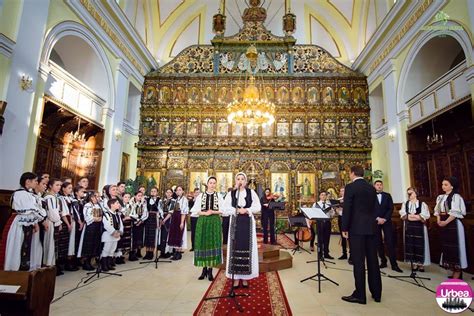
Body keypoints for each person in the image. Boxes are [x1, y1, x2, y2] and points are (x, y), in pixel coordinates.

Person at [341, 165, 381, 305]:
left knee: (358, 262)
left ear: (352, 173)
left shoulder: (351, 187)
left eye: (349, 173)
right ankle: (377, 293)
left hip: (356, 229)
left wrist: (344, 227)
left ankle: (360, 295)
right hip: (371, 228)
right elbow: (376, 208)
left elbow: (347, 208)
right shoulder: (371, 188)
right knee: (372, 260)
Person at [222, 172, 261, 289]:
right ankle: (235, 278)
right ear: (235, 181)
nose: (240, 181)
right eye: (238, 179)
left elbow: (257, 206)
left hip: (247, 223)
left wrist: (247, 210)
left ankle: (245, 278)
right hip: (235, 223)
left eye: (242, 179)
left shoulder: (251, 192)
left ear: (245, 181)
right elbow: (225, 208)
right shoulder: (231, 194)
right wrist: (237, 210)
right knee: (235, 247)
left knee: (246, 247)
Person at [4, 172, 45, 271]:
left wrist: (35, 222)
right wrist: (41, 217)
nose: (36, 183)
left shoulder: (29, 194)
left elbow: (34, 211)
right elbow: (31, 210)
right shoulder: (20, 194)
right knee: (18, 246)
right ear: (28, 181)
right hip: (20, 223)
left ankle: (25, 269)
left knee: (27, 247)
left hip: (28, 223)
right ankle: (14, 270)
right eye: (35, 181)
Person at [191, 177, 223, 281]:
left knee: (212, 243)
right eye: (211, 183)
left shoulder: (219, 196)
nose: (212, 185)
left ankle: (210, 270)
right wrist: (205, 213)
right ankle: (203, 269)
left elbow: (223, 210)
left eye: (214, 183)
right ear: (207, 184)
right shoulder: (201, 195)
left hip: (214, 221)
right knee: (203, 243)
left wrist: (213, 212)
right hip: (203, 221)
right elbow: (195, 210)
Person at [434, 177, 467, 279]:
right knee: (447, 248)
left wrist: (445, 222)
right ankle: (453, 271)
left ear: (452, 186)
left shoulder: (456, 197)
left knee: (456, 248)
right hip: (444, 224)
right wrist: (438, 220)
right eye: (442, 184)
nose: (443, 186)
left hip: (454, 225)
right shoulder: (440, 197)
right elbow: (437, 210)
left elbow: (455, 212)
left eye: (446, 184)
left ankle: (458, 272)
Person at [373, 180, 402, 273]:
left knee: (390, 242)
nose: (379, 186)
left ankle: (394, 264)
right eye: (377, 185)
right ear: (374, 186)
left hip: (387, 222)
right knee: (378, 242)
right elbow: (370, 209)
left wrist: (384, 219)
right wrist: (377, 218)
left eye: (381, 185)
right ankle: (383, 261)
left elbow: (390, 208)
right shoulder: (371, 196)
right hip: (376, 222)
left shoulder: (387, 195)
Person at [399, 187, 430, 271]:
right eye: (408, 193)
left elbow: (423, 216)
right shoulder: (405, 204)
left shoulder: (422, 204)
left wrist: (413, 216)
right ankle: (414, 263)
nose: (409, 195)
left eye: (410, 193)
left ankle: (421, 263)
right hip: (409, 227)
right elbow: (404, 216)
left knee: (420, 244)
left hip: (420, 228)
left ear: (415, 193)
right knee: (411, 244)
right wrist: (415, 216)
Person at [77, 191, 103, 271]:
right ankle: (86, 262)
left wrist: (100, 218)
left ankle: (91, 260)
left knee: (94, 244)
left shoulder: (98, 205)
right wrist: (95, 218)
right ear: (92, 197)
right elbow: (86, 216)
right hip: (90, 227)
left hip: (97, 227)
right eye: (97, 196)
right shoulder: (87, 205)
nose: (99, 198)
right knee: (88, 244)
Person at [43, 178, 63, 274]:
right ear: (50, 186)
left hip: (53, 222)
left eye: (60, 185)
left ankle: (51, 265)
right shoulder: (49, 197)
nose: (59, 187)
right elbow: (52, 212)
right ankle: (48, 266)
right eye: (57, 185)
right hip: (51, 222)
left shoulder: (54, 197)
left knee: (53, 244)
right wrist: (58, 222)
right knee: (50, 244)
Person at [58, 181, 78, 271]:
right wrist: (68, 223)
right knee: (62, 243)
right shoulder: (61, 198)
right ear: (63, 188)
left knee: (69, 243)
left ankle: (67, 262)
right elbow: (63, 212)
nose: (71, 190)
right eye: (69, 188)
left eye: (71, 188)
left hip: (71, 221)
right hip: (64, 222)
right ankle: (59, 264)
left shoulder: (70, 198)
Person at [167, 185, 189, 260]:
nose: (178, 191)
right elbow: (172, 210)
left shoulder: (184, 199)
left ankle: (179, 253)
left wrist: (182, 222)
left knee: (180, 234)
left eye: (180, 190)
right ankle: (175, 252)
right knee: (175, 234)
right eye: (177, 190)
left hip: (180, 218)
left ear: (183, 191)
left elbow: (184, 212)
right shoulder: (175, 199)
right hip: (174, 218)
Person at [101, 199, 123, 271]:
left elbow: (121, 224)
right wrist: (113, 232)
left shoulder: (117, 214)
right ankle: (104, 265)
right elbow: (106, 225)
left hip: (116, 235)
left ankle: (109, 263)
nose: (118, 204)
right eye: (117, 203)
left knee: (112, 249)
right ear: (111, 205)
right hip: (108, 235)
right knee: (106, 249)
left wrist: (119, 232)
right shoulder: (106, 214)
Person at [312, 191, 334, 259]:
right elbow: (313, 213)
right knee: (320, 239)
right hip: (320, 223)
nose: (323, 196)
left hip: (327, 222)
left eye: (325, 195)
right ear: (319, 196)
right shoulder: (315, 204)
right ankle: (320, 254)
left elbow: (332, 214)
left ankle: (326, 253)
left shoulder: (329, 204)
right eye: (322, 195)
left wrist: (331, 211)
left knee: (327, 238)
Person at [129, 191, 148, 260]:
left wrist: (141, 220)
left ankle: (137, 252)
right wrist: (136, 220)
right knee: (133, 238)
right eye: (138, 195)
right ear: (135, 196)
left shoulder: (143, 203)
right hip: (133, 222)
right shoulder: (131, 203)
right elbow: (131, 212)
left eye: (141, 196)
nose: (140, 197)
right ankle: (131, 254)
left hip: (140, 222)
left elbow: (145, 213)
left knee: (139, 238)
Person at [158, 189, 176, 258]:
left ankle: (167, 251)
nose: (168, 194)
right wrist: (161, 218)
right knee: (161, 235)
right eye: (167, 192)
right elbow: (159, 210)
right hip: (161, 218)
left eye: (170, 192)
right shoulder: (161, 200)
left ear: (172, 193)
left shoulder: (173, 201)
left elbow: (171, 212)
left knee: (166, 235)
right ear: (165, 193)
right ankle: (162, 251)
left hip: (168, 219)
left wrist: (164, 220)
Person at [143, 187, 160, 260]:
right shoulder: (147, 200)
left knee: (152, 236)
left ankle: (151, 253)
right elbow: (144, 209)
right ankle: (147, 252)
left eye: (154, 191)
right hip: (147, 218)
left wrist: (159, 220)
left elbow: (160, 210)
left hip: (154, 218)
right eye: (152, 191)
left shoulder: (159, 200)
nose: (153, 192)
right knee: (147, 235)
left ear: (157, 192)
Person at [115, 192, 132, 264]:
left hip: (128, 225)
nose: (127, 198)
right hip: (121, 224)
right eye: (125, 197)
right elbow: (117, 215)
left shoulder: (130, 205)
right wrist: (123, 218)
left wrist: (130, 217)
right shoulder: (119, 205)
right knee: (120, 240)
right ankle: (117, 257)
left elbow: (133, 214)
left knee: (126, 240)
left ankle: (121, 255)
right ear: (122, 197)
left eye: (128, 197)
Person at [335, 187, 349, 261]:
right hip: (341, 218)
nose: (342, 192)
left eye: (343, 190)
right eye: (341, 191)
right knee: (342, 235)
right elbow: (337, 211)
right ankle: (344, 253)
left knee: (349, 236)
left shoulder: (349, 199)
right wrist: (337, 209)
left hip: (348, 218)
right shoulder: (338, 200)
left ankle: (352, 254)